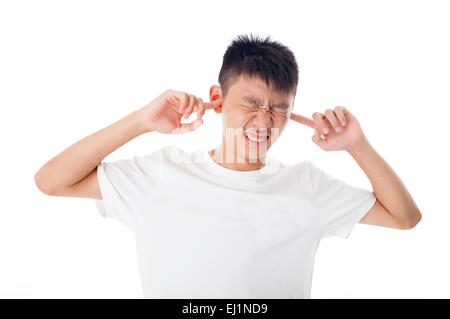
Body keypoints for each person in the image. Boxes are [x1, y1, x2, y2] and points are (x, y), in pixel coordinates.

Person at [34, 33, 422, 299]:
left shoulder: (307, 185)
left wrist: (357, 145)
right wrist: (140, 121)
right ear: (217, 98)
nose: (265, 120)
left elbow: (405, 217)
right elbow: (51, 180)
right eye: (252, 103)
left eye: (279, 108)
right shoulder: (160, 174)